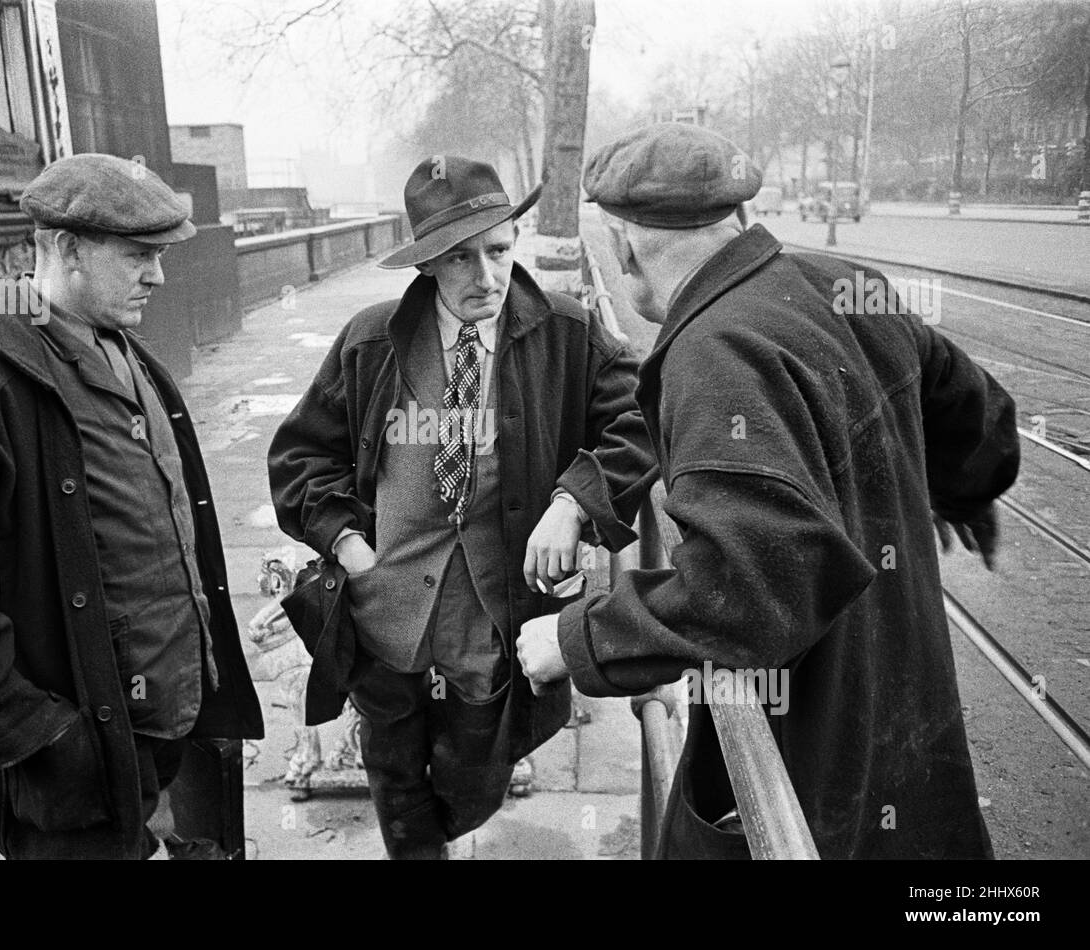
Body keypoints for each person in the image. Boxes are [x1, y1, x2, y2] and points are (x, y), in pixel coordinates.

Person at [517, 123, 1020, 859]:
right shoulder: (842, 286)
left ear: (621, 247)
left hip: (816, 767)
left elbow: (752, 589)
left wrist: (577, 638)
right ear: (738, 219)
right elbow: (981, 419)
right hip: (912, 740)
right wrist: (961, 491)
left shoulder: (712, 350)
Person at [0, 153, 263, 859]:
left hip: (160, 735)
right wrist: (43, 737)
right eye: (140, 255)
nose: (159, 276)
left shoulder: (121, 349)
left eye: (160, 254)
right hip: (70, 778)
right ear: (67, 249)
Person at [268, 156, 657, 859]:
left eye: (499, 251)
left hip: (493, 613)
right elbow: (299, 457)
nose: (486, 277)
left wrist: (574, 502)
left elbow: (640, 422)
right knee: (392, 768)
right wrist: (348, 543)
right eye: (460, 258)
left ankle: (437, 830)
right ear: (426, 266)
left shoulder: (567, 335)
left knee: (474, 776)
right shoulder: (369, 341)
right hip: (381, 609)